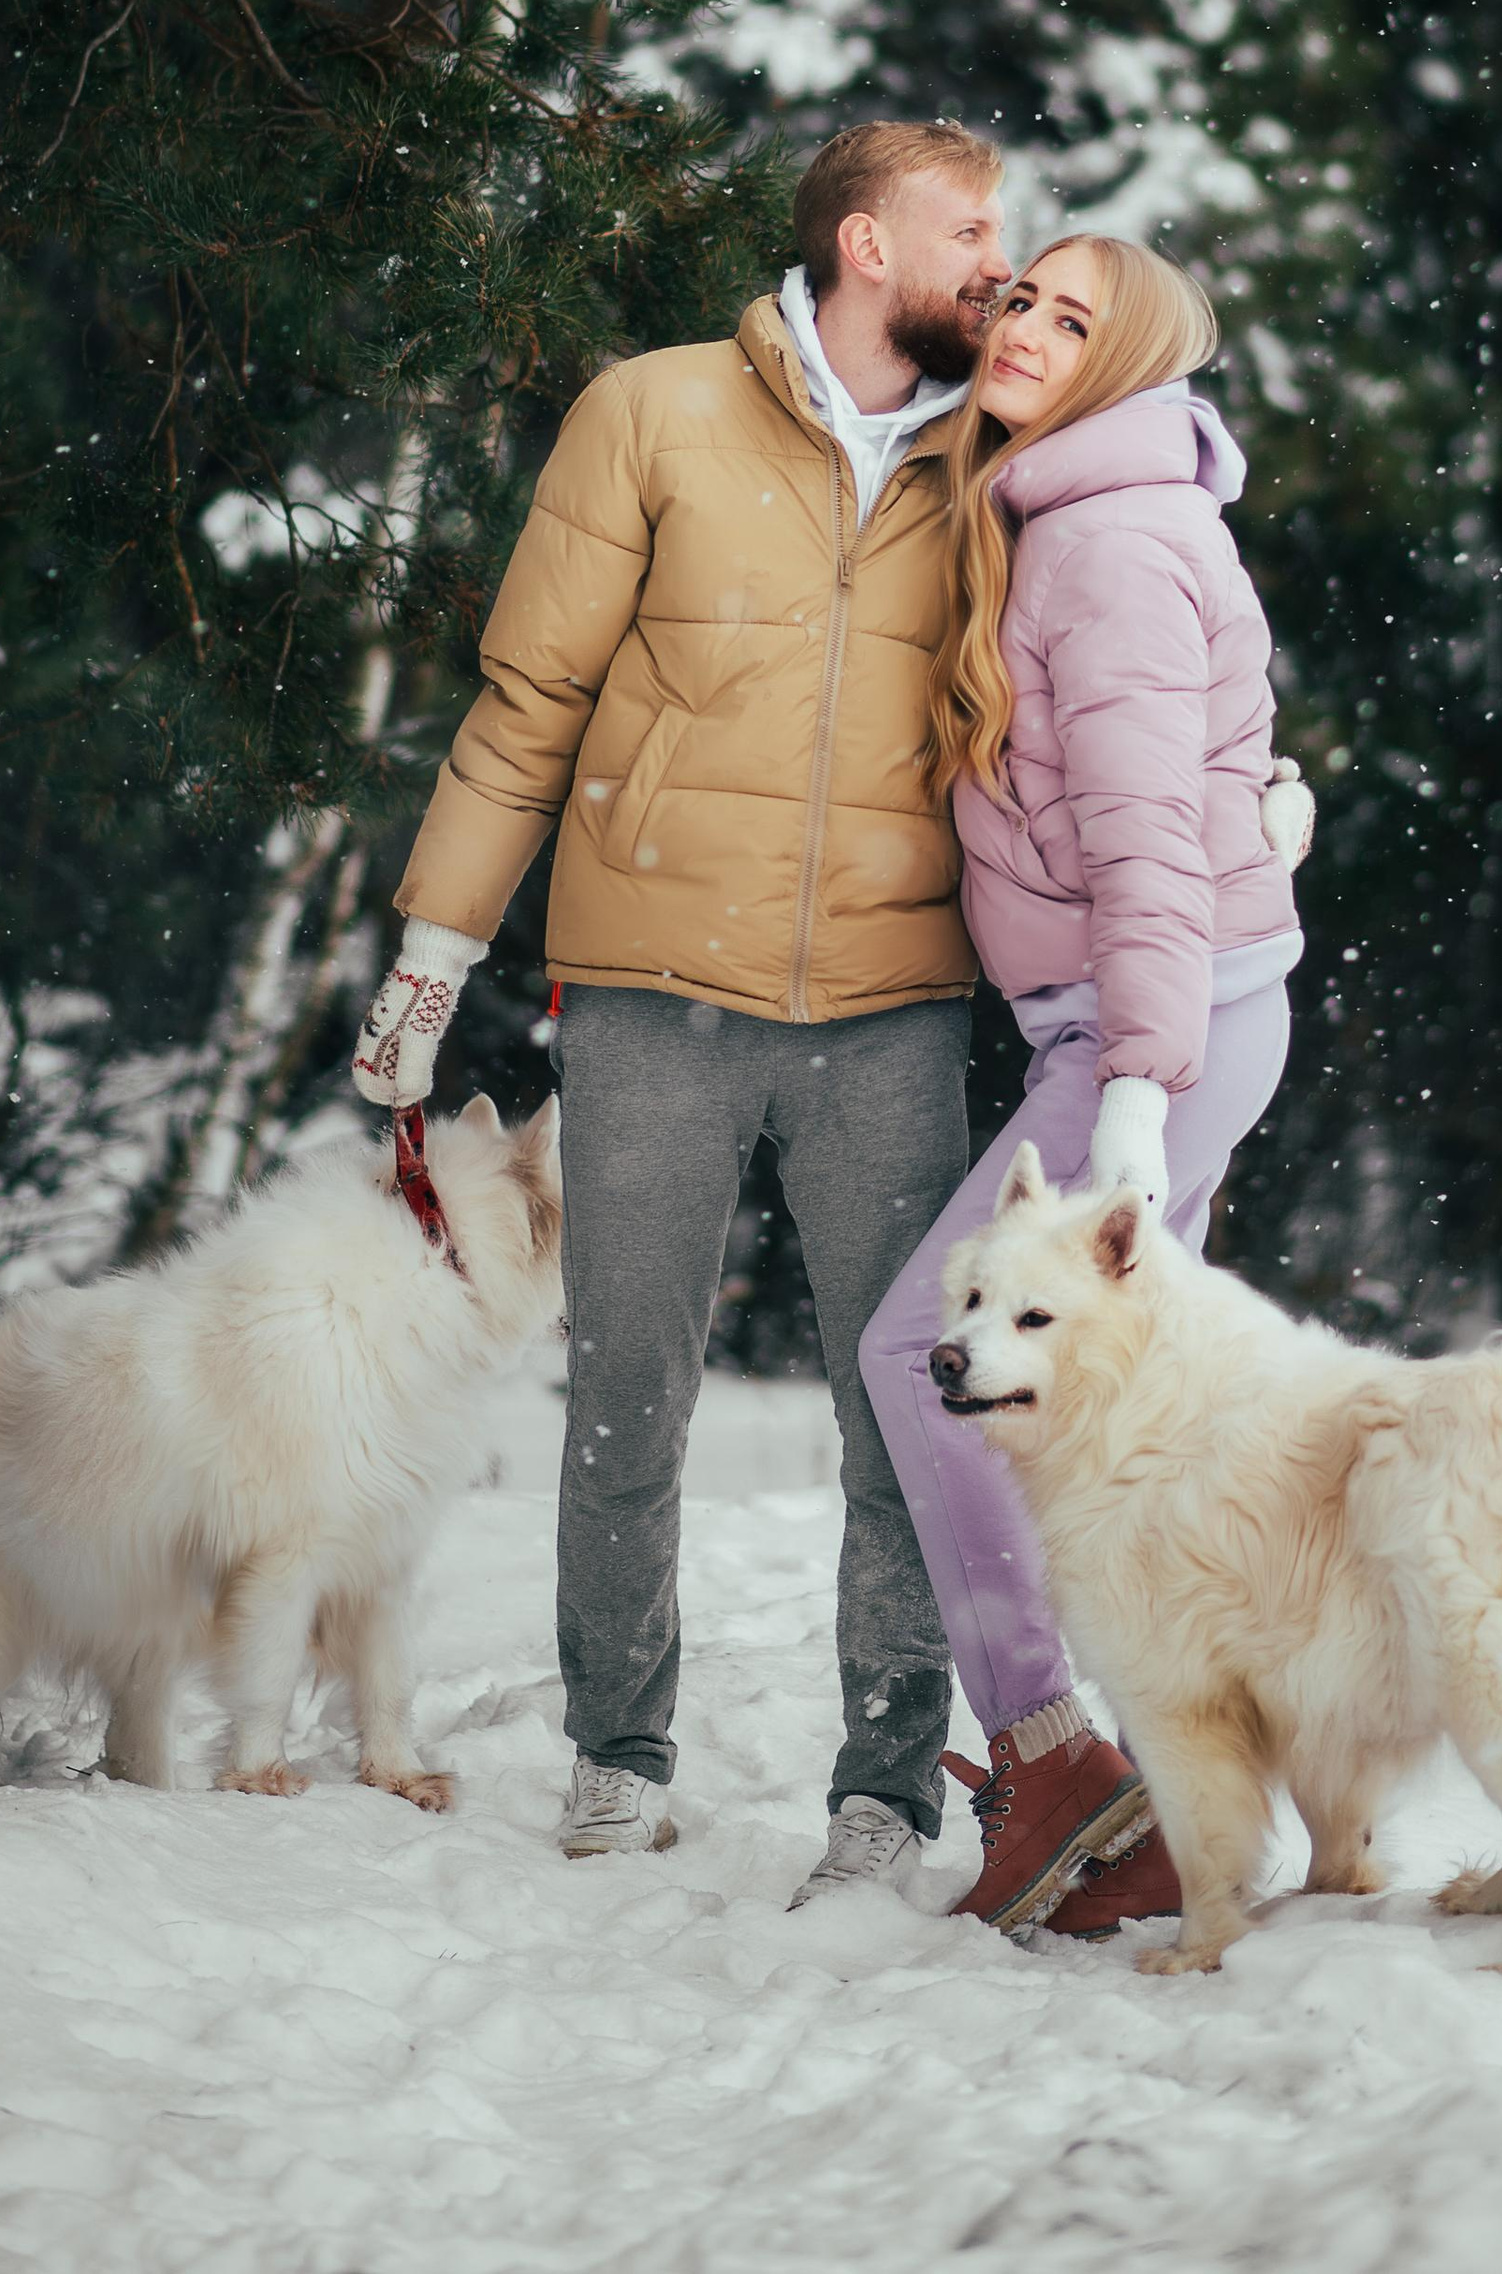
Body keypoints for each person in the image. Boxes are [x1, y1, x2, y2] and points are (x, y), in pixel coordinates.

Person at [349, 121, 1011, 1894]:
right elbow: (528, 700)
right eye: (969, 227)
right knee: (627, 1393)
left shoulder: (1002, 446)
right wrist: (433, 955)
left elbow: (1113, 657)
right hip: (650, 987)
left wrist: (1235, 808)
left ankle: (889, 1790)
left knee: (908, 1413)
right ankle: (616, 1751)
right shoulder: (651, 411)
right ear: (867, 244)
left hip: (896, 1001)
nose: (999, 261)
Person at [857, 234, 1307, 1934]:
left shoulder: (1107, 538)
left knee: (933, 1356)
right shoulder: (1081, 511)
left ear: (1130, 366)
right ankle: (1190, 1781)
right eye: (1022, 300)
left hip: (1148, 1029)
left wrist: (1134, 1083)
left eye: (1074, 320)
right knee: (1120, 1407)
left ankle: (1054, 1760)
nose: (1029, 331)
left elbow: (1141, 840)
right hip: (1164, 1016)